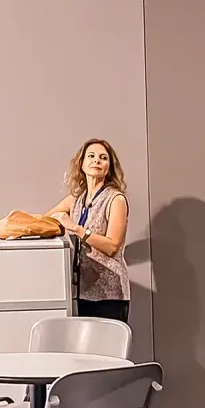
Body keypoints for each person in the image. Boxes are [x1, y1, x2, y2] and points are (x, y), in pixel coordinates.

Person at [47, 138, 131, 322]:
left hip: (110, 294)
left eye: (103, 158)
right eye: (91, 156)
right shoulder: (76, 199)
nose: (97, 161)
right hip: (83, 290)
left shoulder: (115, 199)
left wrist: (76, 229)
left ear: (109, 167)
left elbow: (112, 246)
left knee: (107, 341)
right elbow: (45, 220)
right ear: (82, 164)